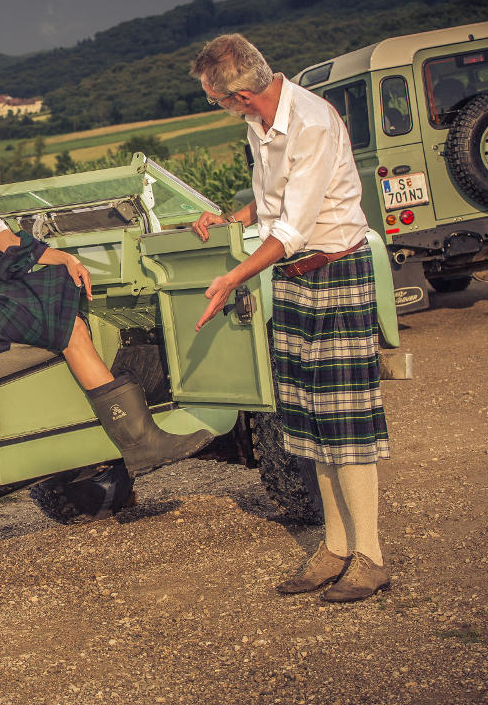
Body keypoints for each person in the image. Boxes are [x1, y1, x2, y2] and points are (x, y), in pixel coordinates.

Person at [0, 91, 209, 474]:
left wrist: (63, 256)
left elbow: (7, 241)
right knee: (68, 327)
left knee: (64, 303)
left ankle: (138, 438)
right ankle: (141, 441)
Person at [188, 35, 391, 603]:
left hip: (335, 270)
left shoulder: (313, 123)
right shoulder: (261, 125)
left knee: (345, 420)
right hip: (296, 279)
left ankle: (369, 556)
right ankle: (333, 547)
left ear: (244, 94)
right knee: (309, 419)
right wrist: (233, 215)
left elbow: (294, 228)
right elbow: (274, 201)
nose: (219, 108)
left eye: (216, 100)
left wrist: (234, 276)